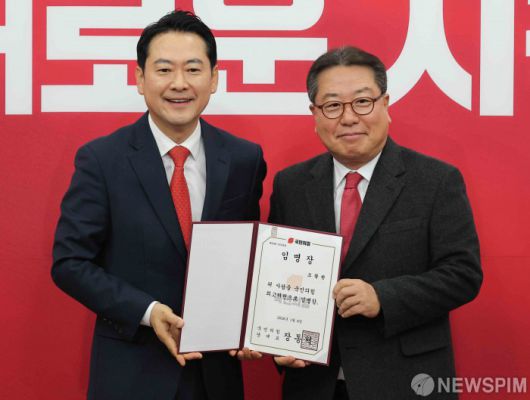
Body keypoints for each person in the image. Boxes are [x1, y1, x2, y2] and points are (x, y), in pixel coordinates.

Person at [52, 10, 266, 400]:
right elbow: (70, 263)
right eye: (164, 69)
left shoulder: (243, 159)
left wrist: (254, 324)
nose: (179, 83)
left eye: (193, 69)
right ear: (140, 79)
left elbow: (249, 257)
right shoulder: (102, 159)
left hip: (216, 377)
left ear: (214, 78)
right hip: (132, 373)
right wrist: (148, 312)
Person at [268, 46, 482, 399]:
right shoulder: (291, 185)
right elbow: (277, 274)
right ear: (315, 114)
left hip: (404, 379)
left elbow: (463, 274)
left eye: (362, 102)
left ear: (385, 104)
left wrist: (382, 296)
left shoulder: (435, 180)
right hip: (313, 383)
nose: (349, 117)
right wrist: (276, 341)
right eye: (333, 106)